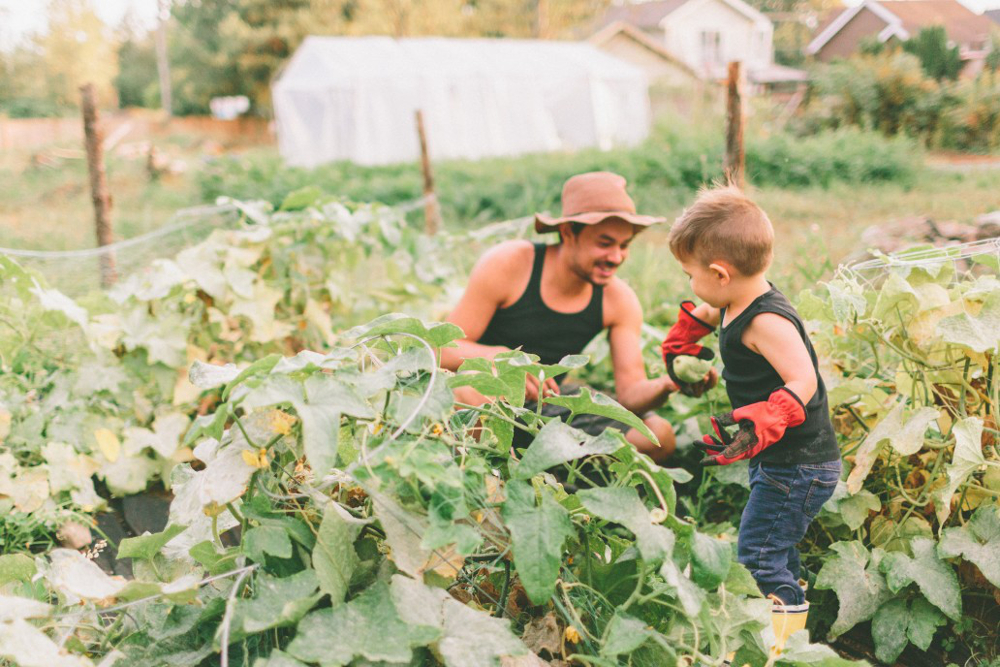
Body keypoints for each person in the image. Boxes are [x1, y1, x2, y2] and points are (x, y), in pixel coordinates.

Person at [660, 184, 841, 655]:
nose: (690, 285)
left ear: (720, 272)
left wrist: (766, 418)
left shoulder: (767, 322)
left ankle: (778, 652)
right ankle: (794, 631)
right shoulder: (733, 297)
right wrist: (682, 341)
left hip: (799, 463)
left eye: (689, 274)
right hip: (779, 459)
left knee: (758, 556)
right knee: (776, 549)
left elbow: (804, 379)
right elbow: (706, 308)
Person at [441, 171, 714, 464]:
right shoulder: (511, 264)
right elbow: (440, 349)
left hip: (546, 401)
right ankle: (489, 476)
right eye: (604, 243)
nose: (616, 257)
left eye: (624, 246)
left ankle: (550, 476)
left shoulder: (617, 300)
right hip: (485, 395)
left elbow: (630, 393)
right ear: (569, 232)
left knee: (656, 436)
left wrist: (668, 383)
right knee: (469, 389)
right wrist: (506, 362)